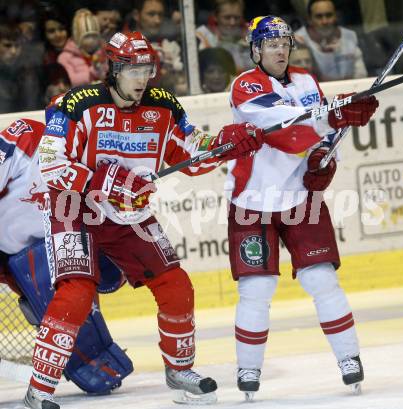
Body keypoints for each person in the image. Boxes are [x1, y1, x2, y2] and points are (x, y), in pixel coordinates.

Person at [23, 31, 264, 408]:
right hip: (74, 209)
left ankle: (179, 371)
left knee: (175, 284)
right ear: (114, 69)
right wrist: (102, 180)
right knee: (76, 293)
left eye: (146, 69)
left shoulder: (164, 106)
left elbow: (192, 153)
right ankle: (39, 390)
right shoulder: (74, 104)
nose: (141, 79)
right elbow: (51, 164)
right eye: (133, 70)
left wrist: (226, 145)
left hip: (127, 214)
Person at [226, 15, 379, 400]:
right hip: (253, 202)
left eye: (284, 43)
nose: (279, 50)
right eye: (271, 44)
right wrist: (335, 115)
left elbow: (321, 138)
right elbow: (287, 131)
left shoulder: (307, 81)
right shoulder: (245, 86)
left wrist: (324, 159)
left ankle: (349, 358)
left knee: (321, 279)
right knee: (257, 288)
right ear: (256, 49)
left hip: (300, 199)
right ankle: (248, 367)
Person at [0, 118, 133, 397]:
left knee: (76, 299)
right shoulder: (27, 135)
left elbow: (113, 276)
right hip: (21, 256)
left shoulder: (100, 167)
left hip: (46, 255)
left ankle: (89, 360)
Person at [295, 0, 367, 81]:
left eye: (329, 15)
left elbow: (361, 75)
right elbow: (300, 79)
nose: (324, 21)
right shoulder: (298, 40)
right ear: (309, 19)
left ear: (336, 16)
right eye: (319, 16)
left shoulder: (349, 36)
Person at [196, 0, 253, 73]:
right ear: (215, 17)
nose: (232, 22)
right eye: (227, 18)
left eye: (237, 18)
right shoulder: (203, 35)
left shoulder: (253, 34)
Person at [57, 9, 107, 87]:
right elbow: (70, 81)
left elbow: (109, 74)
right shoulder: (65, 57)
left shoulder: (102, 52)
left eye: (94, 36)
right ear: (77, 37)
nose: (91, 41)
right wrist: (93, 71)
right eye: (87, 37)